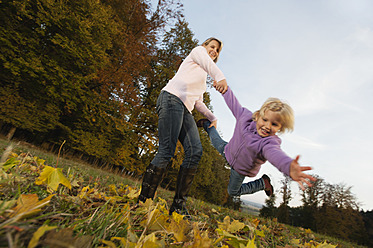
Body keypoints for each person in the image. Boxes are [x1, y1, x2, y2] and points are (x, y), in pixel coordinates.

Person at [137, 38, 228, 218]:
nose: (214, 51)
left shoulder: (202, 74)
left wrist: (212, 117)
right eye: (212, 47)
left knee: (195, 151)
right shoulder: (197, 52)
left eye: (217, 50)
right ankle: (143, 202)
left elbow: (198, 102)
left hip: (185, 108)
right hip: (171, 98)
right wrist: (220, 78)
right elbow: (211, 68)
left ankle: (178, 207)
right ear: (205, 46)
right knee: (167, 150)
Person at [197, 86, 316, 202]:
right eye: (265, 120)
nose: (267, 126)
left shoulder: (268, 142)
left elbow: (275, 154)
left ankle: (262, 183)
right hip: (227, 150)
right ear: (258, 115)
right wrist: (225, 89)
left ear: (280, 128)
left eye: (274, 124)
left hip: (239, 170)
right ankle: (207, 125)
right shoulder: (245, 118)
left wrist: (288, 166)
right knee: (215, 140)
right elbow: (233, 104)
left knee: (232, 192)